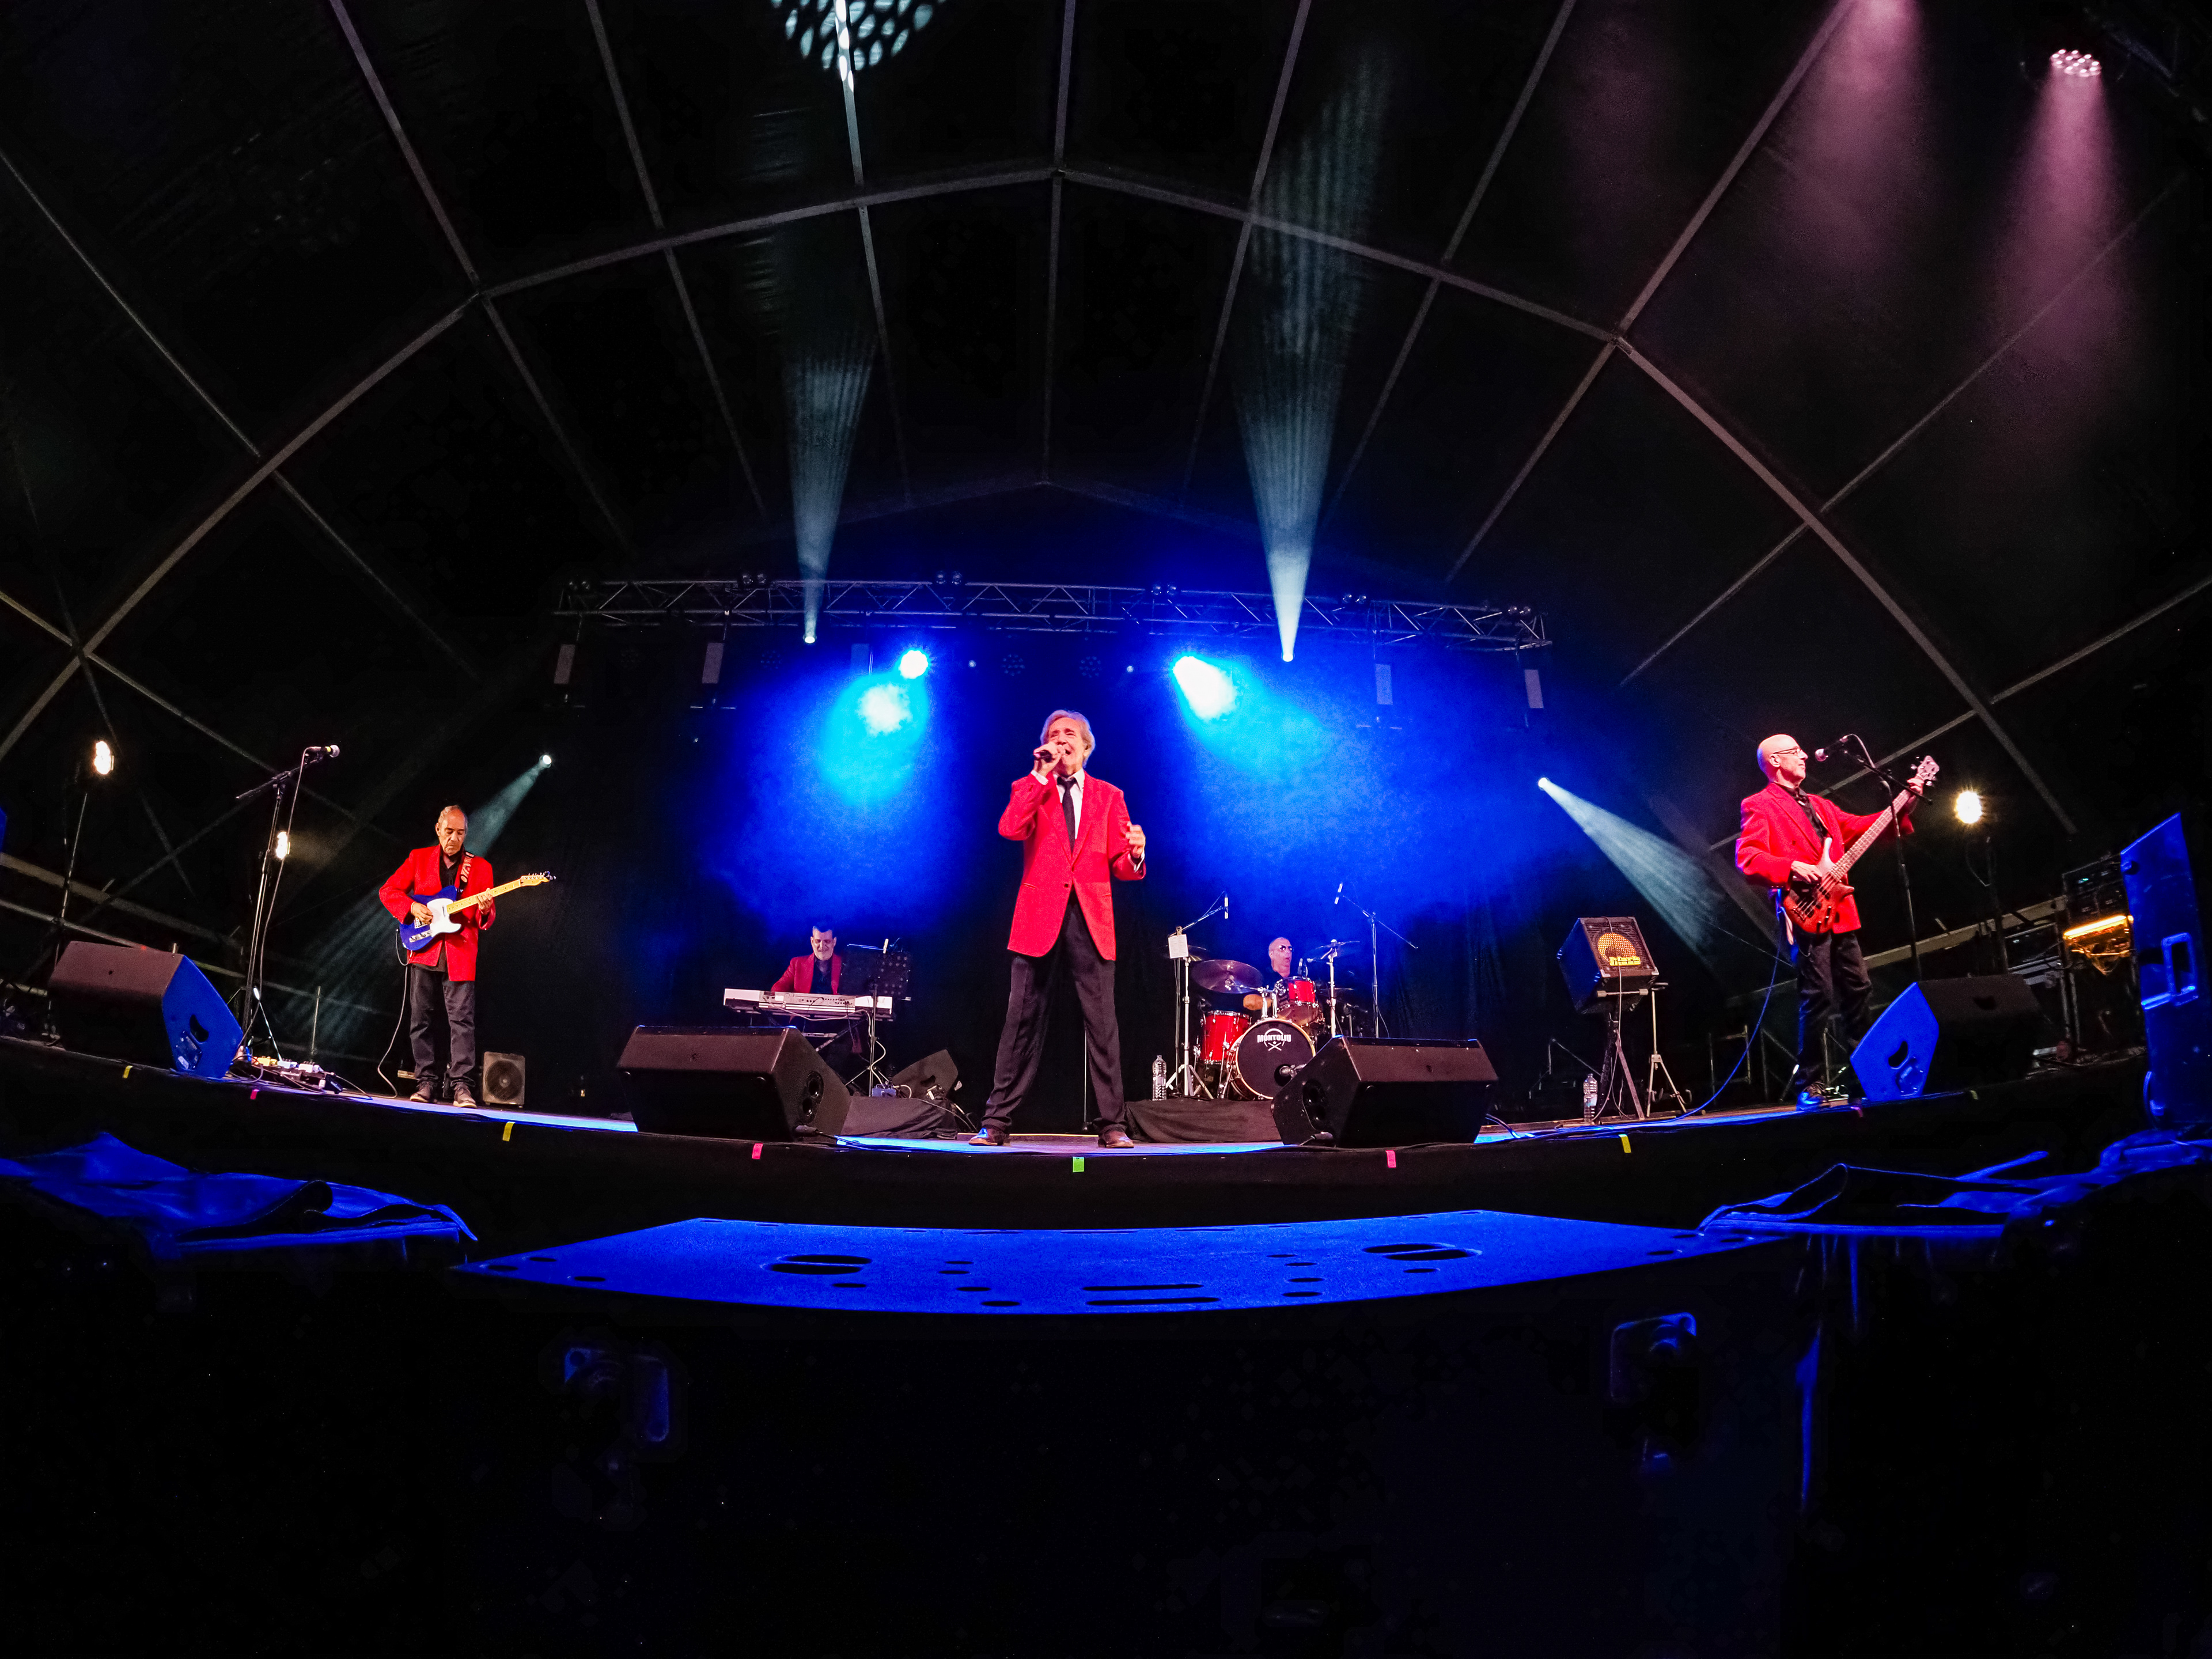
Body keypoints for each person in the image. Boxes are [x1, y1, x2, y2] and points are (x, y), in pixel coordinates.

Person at [972, 710, 1148, 1148]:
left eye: (1070, 734)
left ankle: (1113, 1124)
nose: (1061, 740)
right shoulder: (1032, 788)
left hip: (1090, 916)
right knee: (1021, 1022)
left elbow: (1121, 867)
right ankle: (996, 1122)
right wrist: (1039, 775)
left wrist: (1137, 855)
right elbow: (1010, 828)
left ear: (1087, 746)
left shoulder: (1110, 796)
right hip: (1039, 917)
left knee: (1103, 1025)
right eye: (1054, 735)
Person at [1734, 734, 1920, 1103]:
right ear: (1774, 761)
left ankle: (1866, 1073)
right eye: (1795, 752)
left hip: (1841, 912)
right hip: (1805, 912)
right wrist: (1791, 867)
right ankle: (1811, 1082)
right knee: (1818, 995)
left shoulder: (1823, 805)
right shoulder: (1759, 804)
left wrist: (1904, 803)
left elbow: (1866, 828)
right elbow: (1748, 857)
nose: (1804, 756)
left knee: (1859, 990)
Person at [377, 804, 496, 1107]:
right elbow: (389, 891)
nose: (454, 839)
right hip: (424, 949)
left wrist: (484, 909)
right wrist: (412, 908)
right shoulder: (419, 858)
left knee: (462, 1023)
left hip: (460, 953)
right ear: (438, 829)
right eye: (448, 832)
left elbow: (487, 917)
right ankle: (426, 1082)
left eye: (460, 833)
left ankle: (461, 1087)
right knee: (421, 1020)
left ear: (466, 833)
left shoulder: (480, 868)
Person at [771, 927, 846, 995]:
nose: (822, 946)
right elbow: (778, 989)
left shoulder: (845, 964)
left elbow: (855, 992)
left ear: (834, 942)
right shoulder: (797, 964)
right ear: (812, 941)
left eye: (827, 941)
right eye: (818, 941)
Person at [1243, 937, 1297, 1014]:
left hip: (1294, 1023)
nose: (1288, 951)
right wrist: (1273, 1001)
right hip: (1269, 1024)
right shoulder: (1261, 976)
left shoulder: (1297, 979)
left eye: (1290, 949)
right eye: (1282, 948)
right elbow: (1248, 1002)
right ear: (1271, 954)